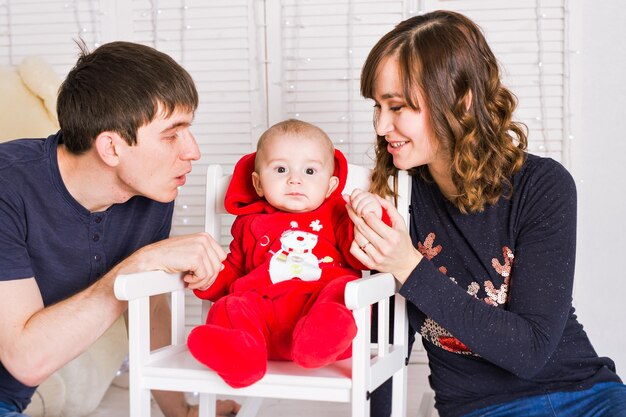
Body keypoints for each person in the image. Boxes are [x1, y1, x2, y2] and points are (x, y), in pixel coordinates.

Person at [345, 10, 626, 417]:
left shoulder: (543, 186)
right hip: (481, 407)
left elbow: (531, 350)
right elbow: (381, 349)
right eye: (378, 107)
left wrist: (409, 265)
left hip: (587, 394)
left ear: (461, 100)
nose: (382, 125)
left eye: (399, 107)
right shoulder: (392, 200)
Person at [0, 41, 239, 417]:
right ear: (111, 147)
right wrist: (137, 267)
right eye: (172, 134)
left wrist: (181, 413)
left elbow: (150, 311)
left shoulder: (149, 194)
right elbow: (24, 359)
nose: (192, 151)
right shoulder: (7, 186)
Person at [187, 119, 384, 388]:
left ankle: (317, 342)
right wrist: (208, 276)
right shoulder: (248, 222)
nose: (295, 179)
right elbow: (232, 272)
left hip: (318, 311)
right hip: (263, 326)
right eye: (280, 169)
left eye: (310, 171)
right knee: (230, 305)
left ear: (330, 185)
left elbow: (360, 253)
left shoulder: (337, 213)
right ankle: (241, 359)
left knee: (344, 288)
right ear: (258, 184)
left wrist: (369, 216)